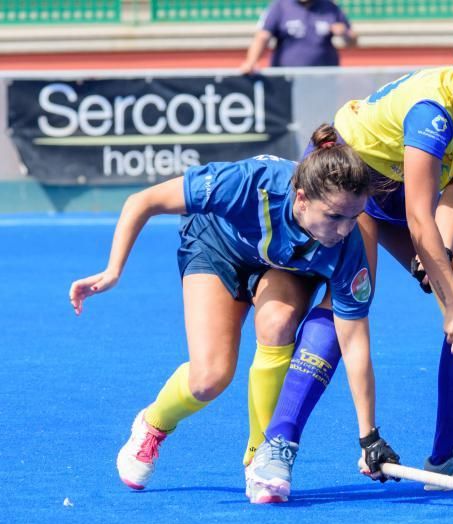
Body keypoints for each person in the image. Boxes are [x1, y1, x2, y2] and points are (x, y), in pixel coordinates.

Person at [249, 14, 453, 494]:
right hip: (353, 179)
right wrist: (448, 302)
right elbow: (420, 218)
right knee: (350, 300)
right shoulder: (431, 111)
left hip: (408, 193)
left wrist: (440, 267)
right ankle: (277, 447)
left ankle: (450, 456)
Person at [68, 125, 399, 500]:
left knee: (279, 322)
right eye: (335, 216)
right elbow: (142, 201)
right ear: (302, 199)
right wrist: (113, 271)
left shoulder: (346, 243)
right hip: (216, 247)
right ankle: (153, 424)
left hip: (279, 265)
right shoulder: (246, 184)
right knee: (209, 378)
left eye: (354, 217)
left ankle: (263, 457)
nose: (344, 230)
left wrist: (368, 435)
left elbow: (354, 343)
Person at [240, 0, 357, 72]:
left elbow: (352, 42)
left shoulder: (330, 7)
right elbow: (262, 37)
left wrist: (344, 34)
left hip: (323, 79)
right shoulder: (280, 6)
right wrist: (251, 62)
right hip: (288, 79)